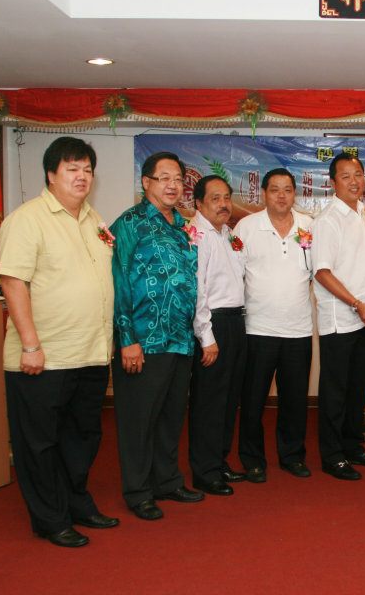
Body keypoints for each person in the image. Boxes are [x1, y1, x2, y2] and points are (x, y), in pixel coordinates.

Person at [0, 136, 118, 548]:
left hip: (90, 352)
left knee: (82, 437)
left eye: (87, 169)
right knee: (40, 442)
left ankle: (76, 503)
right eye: (72, 169)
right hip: (44, 356)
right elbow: (13, 281)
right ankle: (50, 519)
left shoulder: (94, 220)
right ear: (51, 174)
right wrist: (30, 344)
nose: (82, 176)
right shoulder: (27, 219)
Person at [111, 151, 204, 520]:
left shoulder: (183, 226)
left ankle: (167, 481)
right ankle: (138, 491)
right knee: (139, 419)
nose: (173, 185)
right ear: (146, 182)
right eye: (164, 178)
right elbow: (118, 281)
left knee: (170, 416)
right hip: (143, 340)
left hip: (180, 339)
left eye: (178, 179)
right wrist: (126, 338)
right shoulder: (129, 224)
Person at [235, 168, 314, 480]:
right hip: (258, 329)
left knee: (294, 401)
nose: (281, 196)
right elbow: (234, 275)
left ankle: (292, 456)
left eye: (287, 190)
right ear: (264, 193)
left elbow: (320, 272)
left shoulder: (309, 226)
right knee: (252, 400)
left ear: (295, 194)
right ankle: (252, 459)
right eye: (275, 189)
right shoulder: (247, 227)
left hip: (299, 329)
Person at [311, 153, 365, 480]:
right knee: (336, 391)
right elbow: (322, 272)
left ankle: (352, 445)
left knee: (358, 388)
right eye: (346, 176)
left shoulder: (361, 214)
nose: (354, 181)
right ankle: (332, 456)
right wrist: (356, 303)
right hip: (342, 320)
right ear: (333, 183)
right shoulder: (328, 220)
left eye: (358, 174)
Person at [188, 175, 246, 495]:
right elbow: (198, 290)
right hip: (214, 324)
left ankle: (219, 461)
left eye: (226, 197)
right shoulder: (198, 235)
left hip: (236, 323)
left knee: (228, 399)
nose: (224, 204)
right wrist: (206, 337)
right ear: (198, 203)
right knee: (209, 402)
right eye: (215, 198)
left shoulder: (227, 234)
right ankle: (205, 471)